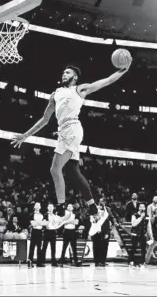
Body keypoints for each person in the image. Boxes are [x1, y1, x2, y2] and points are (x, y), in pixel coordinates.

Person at [11, 61, 132, 217]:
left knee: (55, 169)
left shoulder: (79, 89)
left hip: (72, 129)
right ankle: (93, 208)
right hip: (64, 131)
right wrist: (25, 135)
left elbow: (107, 81)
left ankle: (61, 210)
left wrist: (123, 70)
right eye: (63, 72)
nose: (64, 74)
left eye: (67, 72)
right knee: (72, 170)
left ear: (75, 77)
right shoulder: (55, 94)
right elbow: (45, 119)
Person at [129, 203, 147, 268]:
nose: (142, 208)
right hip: (135, 234)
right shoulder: (134, 215)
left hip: (143, 234)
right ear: (139, 208)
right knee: (133, 248)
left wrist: (148, 234)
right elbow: (133, 224)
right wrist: (141, 217)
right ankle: (131, 261)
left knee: (143, 249)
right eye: (141, 207)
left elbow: (148, 225)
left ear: (145, 208)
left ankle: (142, 262)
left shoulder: (146, 216)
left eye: (143, 207)